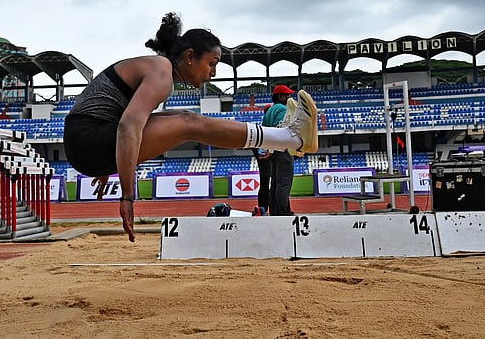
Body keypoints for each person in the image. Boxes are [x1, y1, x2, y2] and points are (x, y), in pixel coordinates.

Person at [63, 12, 319, 241]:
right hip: (87, 141)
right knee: (189, 123)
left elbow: (117, 116)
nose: (214, 73)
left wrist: (107, 165)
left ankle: (287, 138)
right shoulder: (161, 72)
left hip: (88, 141)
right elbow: (128, 127)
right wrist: (127, 197)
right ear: (189, 57)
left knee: (185, 117)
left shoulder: (159, 72)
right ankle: (289, 138)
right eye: (211, 63)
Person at [263, 84, 297, 215]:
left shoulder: (270, 110)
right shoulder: (283, 109)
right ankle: (283, 212)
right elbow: (280, 128)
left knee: (276, 182)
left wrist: (268, 150)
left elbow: (265, 130)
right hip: (282, 149)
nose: (289, 97)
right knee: (284, 183)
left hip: (272, 150)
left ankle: (275, 211)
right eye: (287, 95)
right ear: (281, 96)